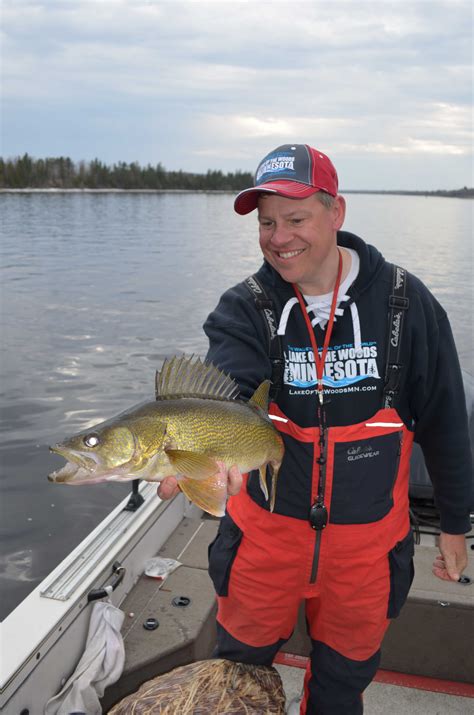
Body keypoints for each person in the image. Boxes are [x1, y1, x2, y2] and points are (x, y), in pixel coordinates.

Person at [158, 143, 472, 714]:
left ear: (337, 213)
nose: (279, 238)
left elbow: (446, 421)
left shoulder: (406, 304)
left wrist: (455, 525)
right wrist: (208, 454)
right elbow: (228, 389)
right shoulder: (244, 307)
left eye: (296, 219)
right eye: (267, 222)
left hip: (367, 552)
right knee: (237, 679)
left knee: (341, 688)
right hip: (264, 544)